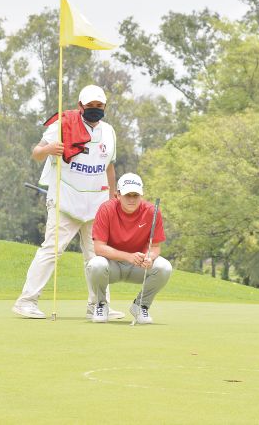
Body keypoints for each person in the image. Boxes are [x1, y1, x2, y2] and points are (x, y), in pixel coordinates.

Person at [12, 84, 125, 320]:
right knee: (52, 251)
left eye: (99, 106)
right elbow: (36, 152)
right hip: (65, 200)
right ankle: (26, 302)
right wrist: (49, 149)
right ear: (80, 106)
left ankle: (98, 306)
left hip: (96, 204)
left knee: (96, 257)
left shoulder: (109, 132)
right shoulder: (63, 125)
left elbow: (110, 167)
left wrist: (113, 195)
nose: (95, 110)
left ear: (105, 107)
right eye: (90, 106)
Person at [86, 173, 173, 324]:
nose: (132, 199)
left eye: (135, 195)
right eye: (127, 195)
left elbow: (155, 248)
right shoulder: (106, 209)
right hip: (111, 266)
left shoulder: (152, 212)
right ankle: (101, 304)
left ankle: (141, 305)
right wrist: (128, 256)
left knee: (164, 267)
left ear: (142, 195)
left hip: (138, 266)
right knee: (96, 264)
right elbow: (99, 248)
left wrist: (149, 257)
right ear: (117, 195)